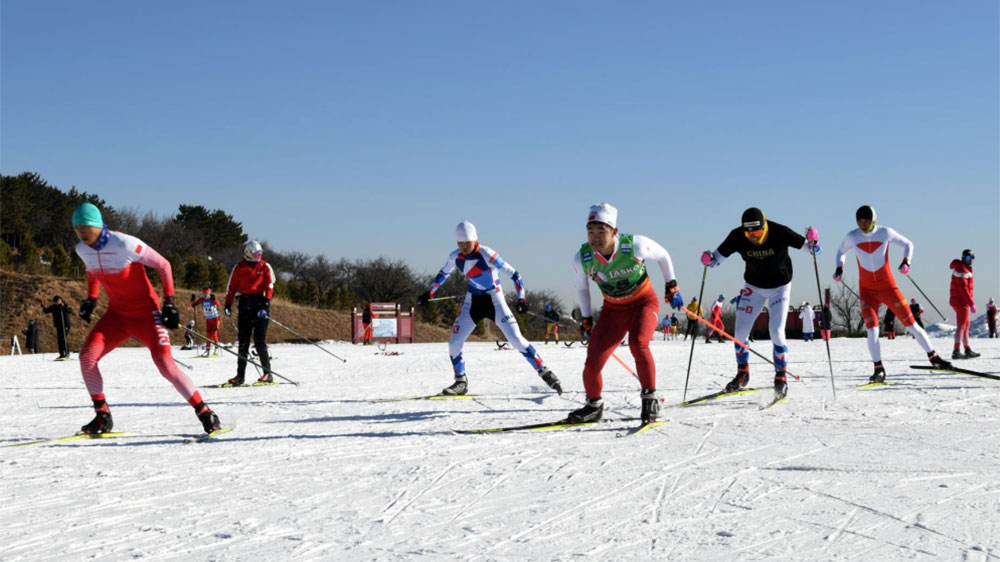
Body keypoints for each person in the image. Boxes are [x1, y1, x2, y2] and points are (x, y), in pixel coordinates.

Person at [71, 202, 220, 434]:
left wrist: (169, 302)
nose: (81, 233)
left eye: (84, 228)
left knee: (165, 365)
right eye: (77, 229)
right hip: (117, 316)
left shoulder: (124, 243)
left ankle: (205, 412)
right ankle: (102, 416)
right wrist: (91, 299)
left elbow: (163, 264)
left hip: (147, 315)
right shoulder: (83, 249)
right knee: (86, 358)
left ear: (97, 225)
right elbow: (92, 271)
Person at [568, 203, 684, 424]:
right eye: (590, 232)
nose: (595, 238)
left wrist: (672, 285)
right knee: (593, 359)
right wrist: (586, 319)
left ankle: (650, 400)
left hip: (643, 303)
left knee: (638, 343)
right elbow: (581, 289)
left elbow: (663, 255)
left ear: (614, 231)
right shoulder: (582, 258)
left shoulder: (634, 245)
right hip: (613, 310)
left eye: (601, 231)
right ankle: (594, 405)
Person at [417, 221, 561, 396]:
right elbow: (443, 273)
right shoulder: (455, 256)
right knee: (454, 342)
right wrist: (429, 292)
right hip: (473, 302)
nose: (463, 247)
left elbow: (516, 275)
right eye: (460, 243)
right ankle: (460, 381)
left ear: (475, 239)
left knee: (516, 340)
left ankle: (545, 372)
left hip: (495, 300)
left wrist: (521, 299)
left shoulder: (487, 254)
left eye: (466, 243)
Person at [701, 207, 821, 398]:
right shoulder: (737, 236)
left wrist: (814, 243)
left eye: (757, 232)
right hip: (754, 286)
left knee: (776, 330)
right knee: (739, 332)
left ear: (764, 226)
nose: (753, 237)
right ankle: (743, 374)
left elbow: (811, 248)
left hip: (780, 286)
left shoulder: (780, 232)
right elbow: (717, 258)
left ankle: (781, 375)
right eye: (749, 233)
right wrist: (709, 260)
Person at [834, 205, 952, 383]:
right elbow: (841, 251)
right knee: (872, 331)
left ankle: (934, 358)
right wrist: (839, 268)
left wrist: (906, 262)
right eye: (859, 221)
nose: (862, 224)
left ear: (873, 220)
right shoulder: (852, 236)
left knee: (912, 325)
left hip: (889, 289)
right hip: (868, 292)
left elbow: (908, 244)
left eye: (865, 220)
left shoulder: (885, 233)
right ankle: (878, 369)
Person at [224, 240, 276, 385]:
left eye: (260, 253)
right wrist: (228, 304)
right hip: (245, 306)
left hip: (260, 307)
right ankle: (240, 376)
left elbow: (270, 285)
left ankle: (267, 373)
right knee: (243, 343)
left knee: (259, 341)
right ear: (248, 253)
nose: (258, 256)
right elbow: (232, 288)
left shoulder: (265, 267)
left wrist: (266, 304)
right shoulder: (239, 268)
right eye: (256, 253)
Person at [949, 249, 979, 359]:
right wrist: (971, 303)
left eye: (972, 258)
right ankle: (956, 351)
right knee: (961, 326)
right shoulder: (962, 270)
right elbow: (963, 289)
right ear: (963, 258)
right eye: (968, 258)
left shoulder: (965, 268)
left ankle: (967, 349)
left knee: (966, 326)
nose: (970, 261)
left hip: (961, 301)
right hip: (961, 301)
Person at [191, 287, 222, 356]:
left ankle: (216, 350)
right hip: (208, 320)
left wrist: (215, 299)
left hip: (216, 319)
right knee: (208, 336)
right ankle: (207, 350)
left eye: (206, 294)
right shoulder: (202, 300)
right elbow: (193, 305)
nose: (205, 296)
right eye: (203, 294)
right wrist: (192, 300)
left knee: (214, 334)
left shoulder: (212, 299)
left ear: (209, 294)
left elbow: (218, 305)